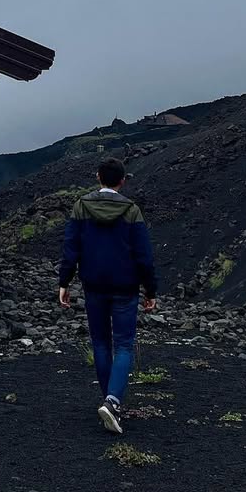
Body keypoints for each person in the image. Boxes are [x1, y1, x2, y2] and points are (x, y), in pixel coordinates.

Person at [58, 157, 158, 435]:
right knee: (124, 345)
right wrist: (150, 290)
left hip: (94, 285)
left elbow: (71, 248)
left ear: (98, 177)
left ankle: (109, 402)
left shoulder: (81, 207)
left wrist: (64, 281)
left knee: (101, 343)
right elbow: (144, 256)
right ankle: (112, 402)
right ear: (122, 181)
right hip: (125, 287)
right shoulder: (132, 211)